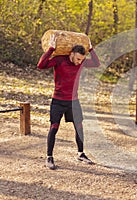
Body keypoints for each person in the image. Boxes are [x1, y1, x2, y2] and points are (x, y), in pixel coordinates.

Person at [37, 35, 100, 170]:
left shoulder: (81, 62)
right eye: (77, 58)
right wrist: (51, 49)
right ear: (71, 54)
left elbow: (96, 63)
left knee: (79, 126)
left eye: (81, 59)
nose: (79, 62)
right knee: (54, 127)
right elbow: (41, 65)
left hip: (73, 101)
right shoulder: (59, 60)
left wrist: (91, 48)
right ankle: (49, 157)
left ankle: (81, 154)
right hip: (58, 101)